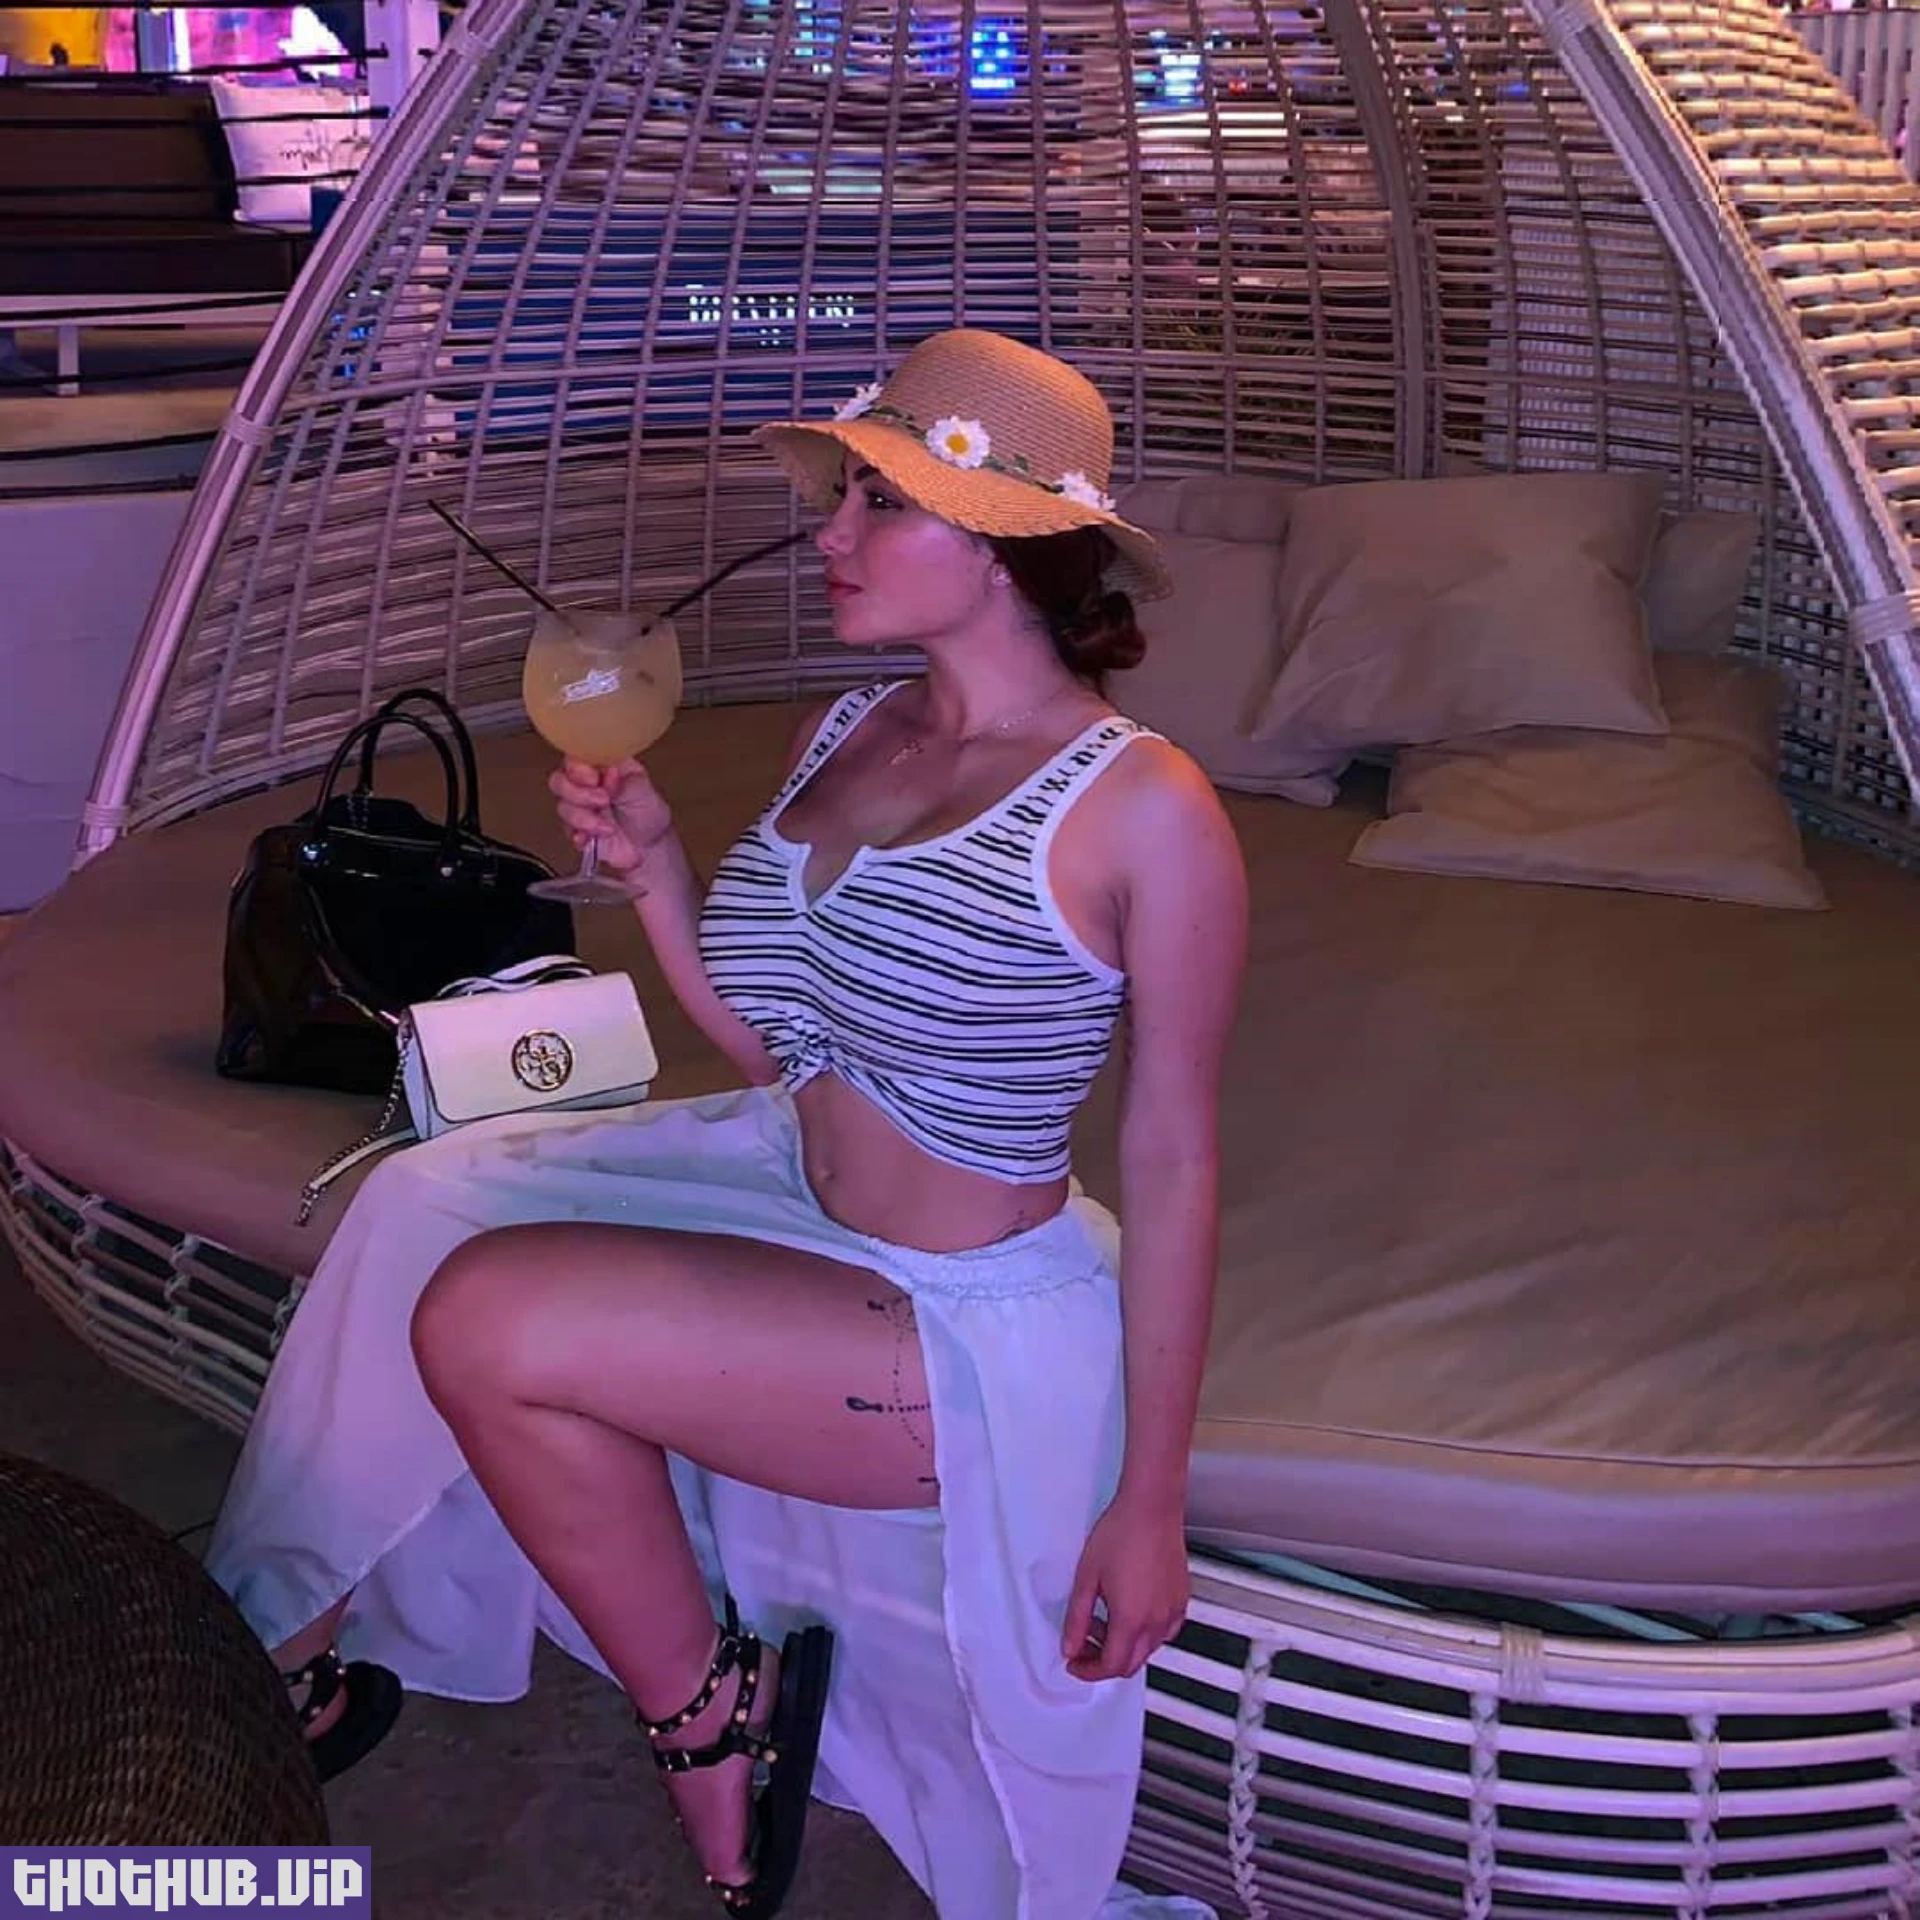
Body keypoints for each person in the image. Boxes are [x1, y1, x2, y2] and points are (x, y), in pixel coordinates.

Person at [205, 327, 1247, 1920]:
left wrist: (1149, 1501)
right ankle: (275, 1640)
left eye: (876, 502)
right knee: (425, 1196)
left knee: (491, 1314)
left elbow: (1174, 1164)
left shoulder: (1144, 808)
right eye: (840, 496)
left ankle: (704, 1719)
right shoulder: (855, 729)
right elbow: (786, 1047)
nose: (828, 533)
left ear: (1000, 546)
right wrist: (662, 881)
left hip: (956, 1310)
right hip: (790, 1174)